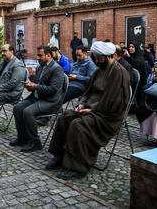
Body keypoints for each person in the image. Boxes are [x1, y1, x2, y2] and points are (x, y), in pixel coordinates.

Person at [46, 41, 130, 179]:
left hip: (107, 116)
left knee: (78, 125)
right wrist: (82, 104)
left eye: (98, 58)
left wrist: (92, 110)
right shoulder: (98, 70)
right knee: (64, 117)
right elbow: (87, 92)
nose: (95, 61)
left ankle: (78, 167)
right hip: (91, 109)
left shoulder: (119, 73)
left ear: (108, 56)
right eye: (95, 57)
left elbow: (115, 102)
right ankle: (60, 156)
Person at [11, 45, 65, 152]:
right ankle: (23, 137)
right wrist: (29, 85)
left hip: (51, 101)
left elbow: (53, 90)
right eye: (37, 55)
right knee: (17, 108)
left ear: (48, 55)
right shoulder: (40, 67)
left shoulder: (57, 69)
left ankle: (35, 142)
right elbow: (37, 84)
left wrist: (35, 86)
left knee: (27, 112)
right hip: (38, 97)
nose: (37, 58)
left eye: (40, 55)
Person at [123, 41, 147, 106]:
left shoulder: (140, 57)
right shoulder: (128, 56)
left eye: (132, 47)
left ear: (136, 48)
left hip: (139, 84)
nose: (130, 48)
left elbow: (137, 65)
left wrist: (129, 57)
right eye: (129, 47)